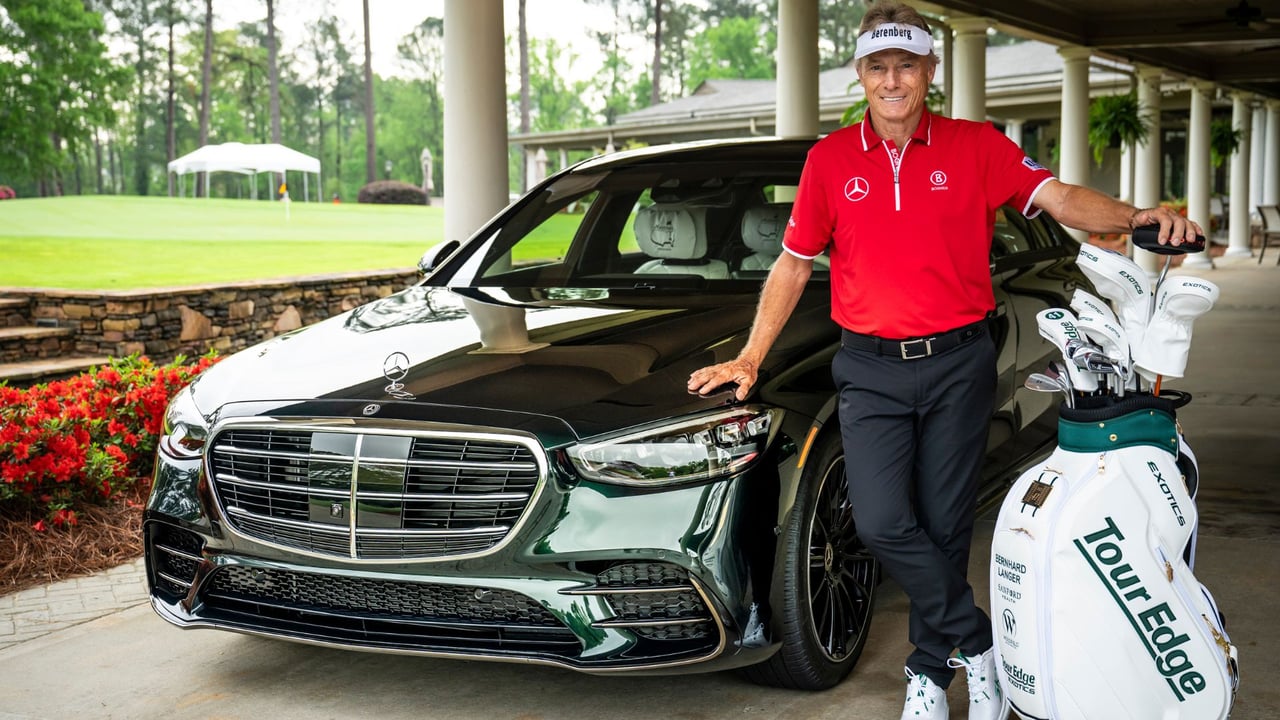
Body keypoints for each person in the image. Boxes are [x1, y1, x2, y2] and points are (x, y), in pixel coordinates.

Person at [686, 2, 1202, 719]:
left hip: (959, 362)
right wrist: (750, 354)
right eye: (877, 67)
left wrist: (1136, 219)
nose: (892, 80)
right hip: (869, 369)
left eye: (906, 65)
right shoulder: (830, 161)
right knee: (880, 521)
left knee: (944, 523)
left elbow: (1060, 199)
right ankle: (981, 644)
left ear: (930, 71)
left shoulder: (978, 146)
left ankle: (931, 674)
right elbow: (795, 264)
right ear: (860, 76)